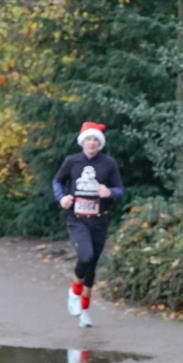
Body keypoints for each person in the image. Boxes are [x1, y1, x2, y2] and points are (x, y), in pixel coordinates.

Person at [52, 121, 124, 328]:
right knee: (85, 256)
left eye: (96, 140)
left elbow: (120, 189)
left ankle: (84, 311)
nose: (92, 143)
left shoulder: (108, 163)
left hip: (99, 220)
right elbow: (57, 181)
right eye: (88, 139)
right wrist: (61, 198)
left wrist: (109, 192)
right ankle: (74, 292)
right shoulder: (72, 161)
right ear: (82, 141)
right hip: (78, 219)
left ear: (100, 143)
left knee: (91, 267)